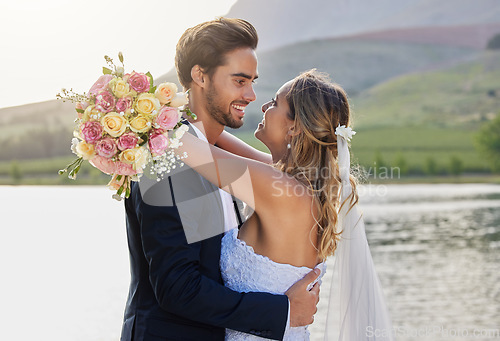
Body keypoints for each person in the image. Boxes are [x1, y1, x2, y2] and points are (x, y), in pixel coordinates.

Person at [121, 18, 321, 341]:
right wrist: (282, 312)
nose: (252, 95)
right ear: (200, 76)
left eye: (253, 81)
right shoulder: (167, 155)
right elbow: (177, 287)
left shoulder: (211, 157)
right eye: (240, 81)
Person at [176, 69, 394, 340]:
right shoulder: (291, 184)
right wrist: (190, 100)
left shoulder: (280, 190)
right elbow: (209, 134)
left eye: (275, 103)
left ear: (295, 126)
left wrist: (138, 108)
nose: (264, 107)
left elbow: (182, 145)